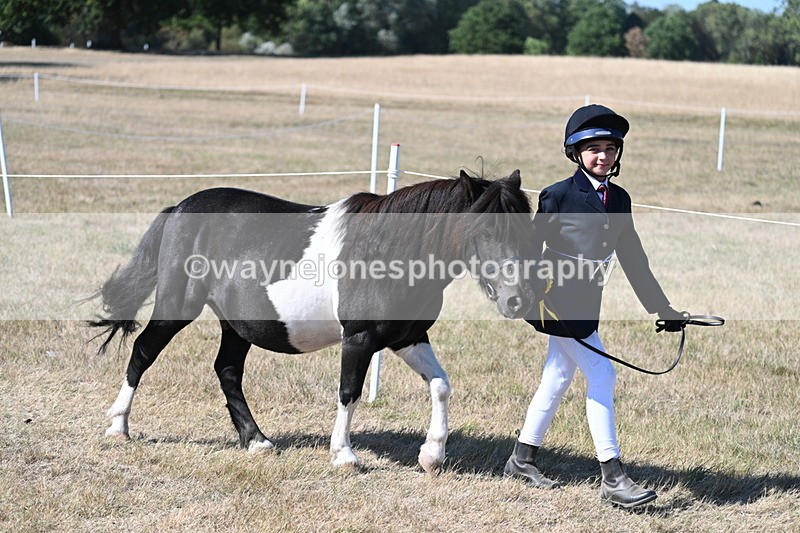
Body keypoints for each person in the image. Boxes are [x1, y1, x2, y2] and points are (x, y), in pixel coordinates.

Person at [505, 104, 686, 508]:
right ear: (575, 153)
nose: (602, 156)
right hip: (555, 304)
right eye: (593, 149)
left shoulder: (619, 198)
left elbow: (633, 257)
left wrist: (662, 308)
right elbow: (530, 252)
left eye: (609, 148)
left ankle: (521, 458)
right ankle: (613, 476)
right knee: (603, 374)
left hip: (587, 303)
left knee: (556, 377)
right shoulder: (558, 195)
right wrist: (528, 295)